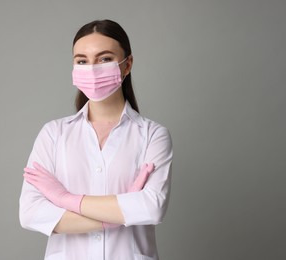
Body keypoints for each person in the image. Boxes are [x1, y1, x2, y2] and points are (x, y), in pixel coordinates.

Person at [19, 19, 173, 260]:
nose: (91, 69)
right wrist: (117, 216)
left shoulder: (152, 135)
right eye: (82, 61)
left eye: (104, 59)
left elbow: (151, 208)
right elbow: (31, 212)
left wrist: (64, 199)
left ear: (127, 64)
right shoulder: (53, 134)